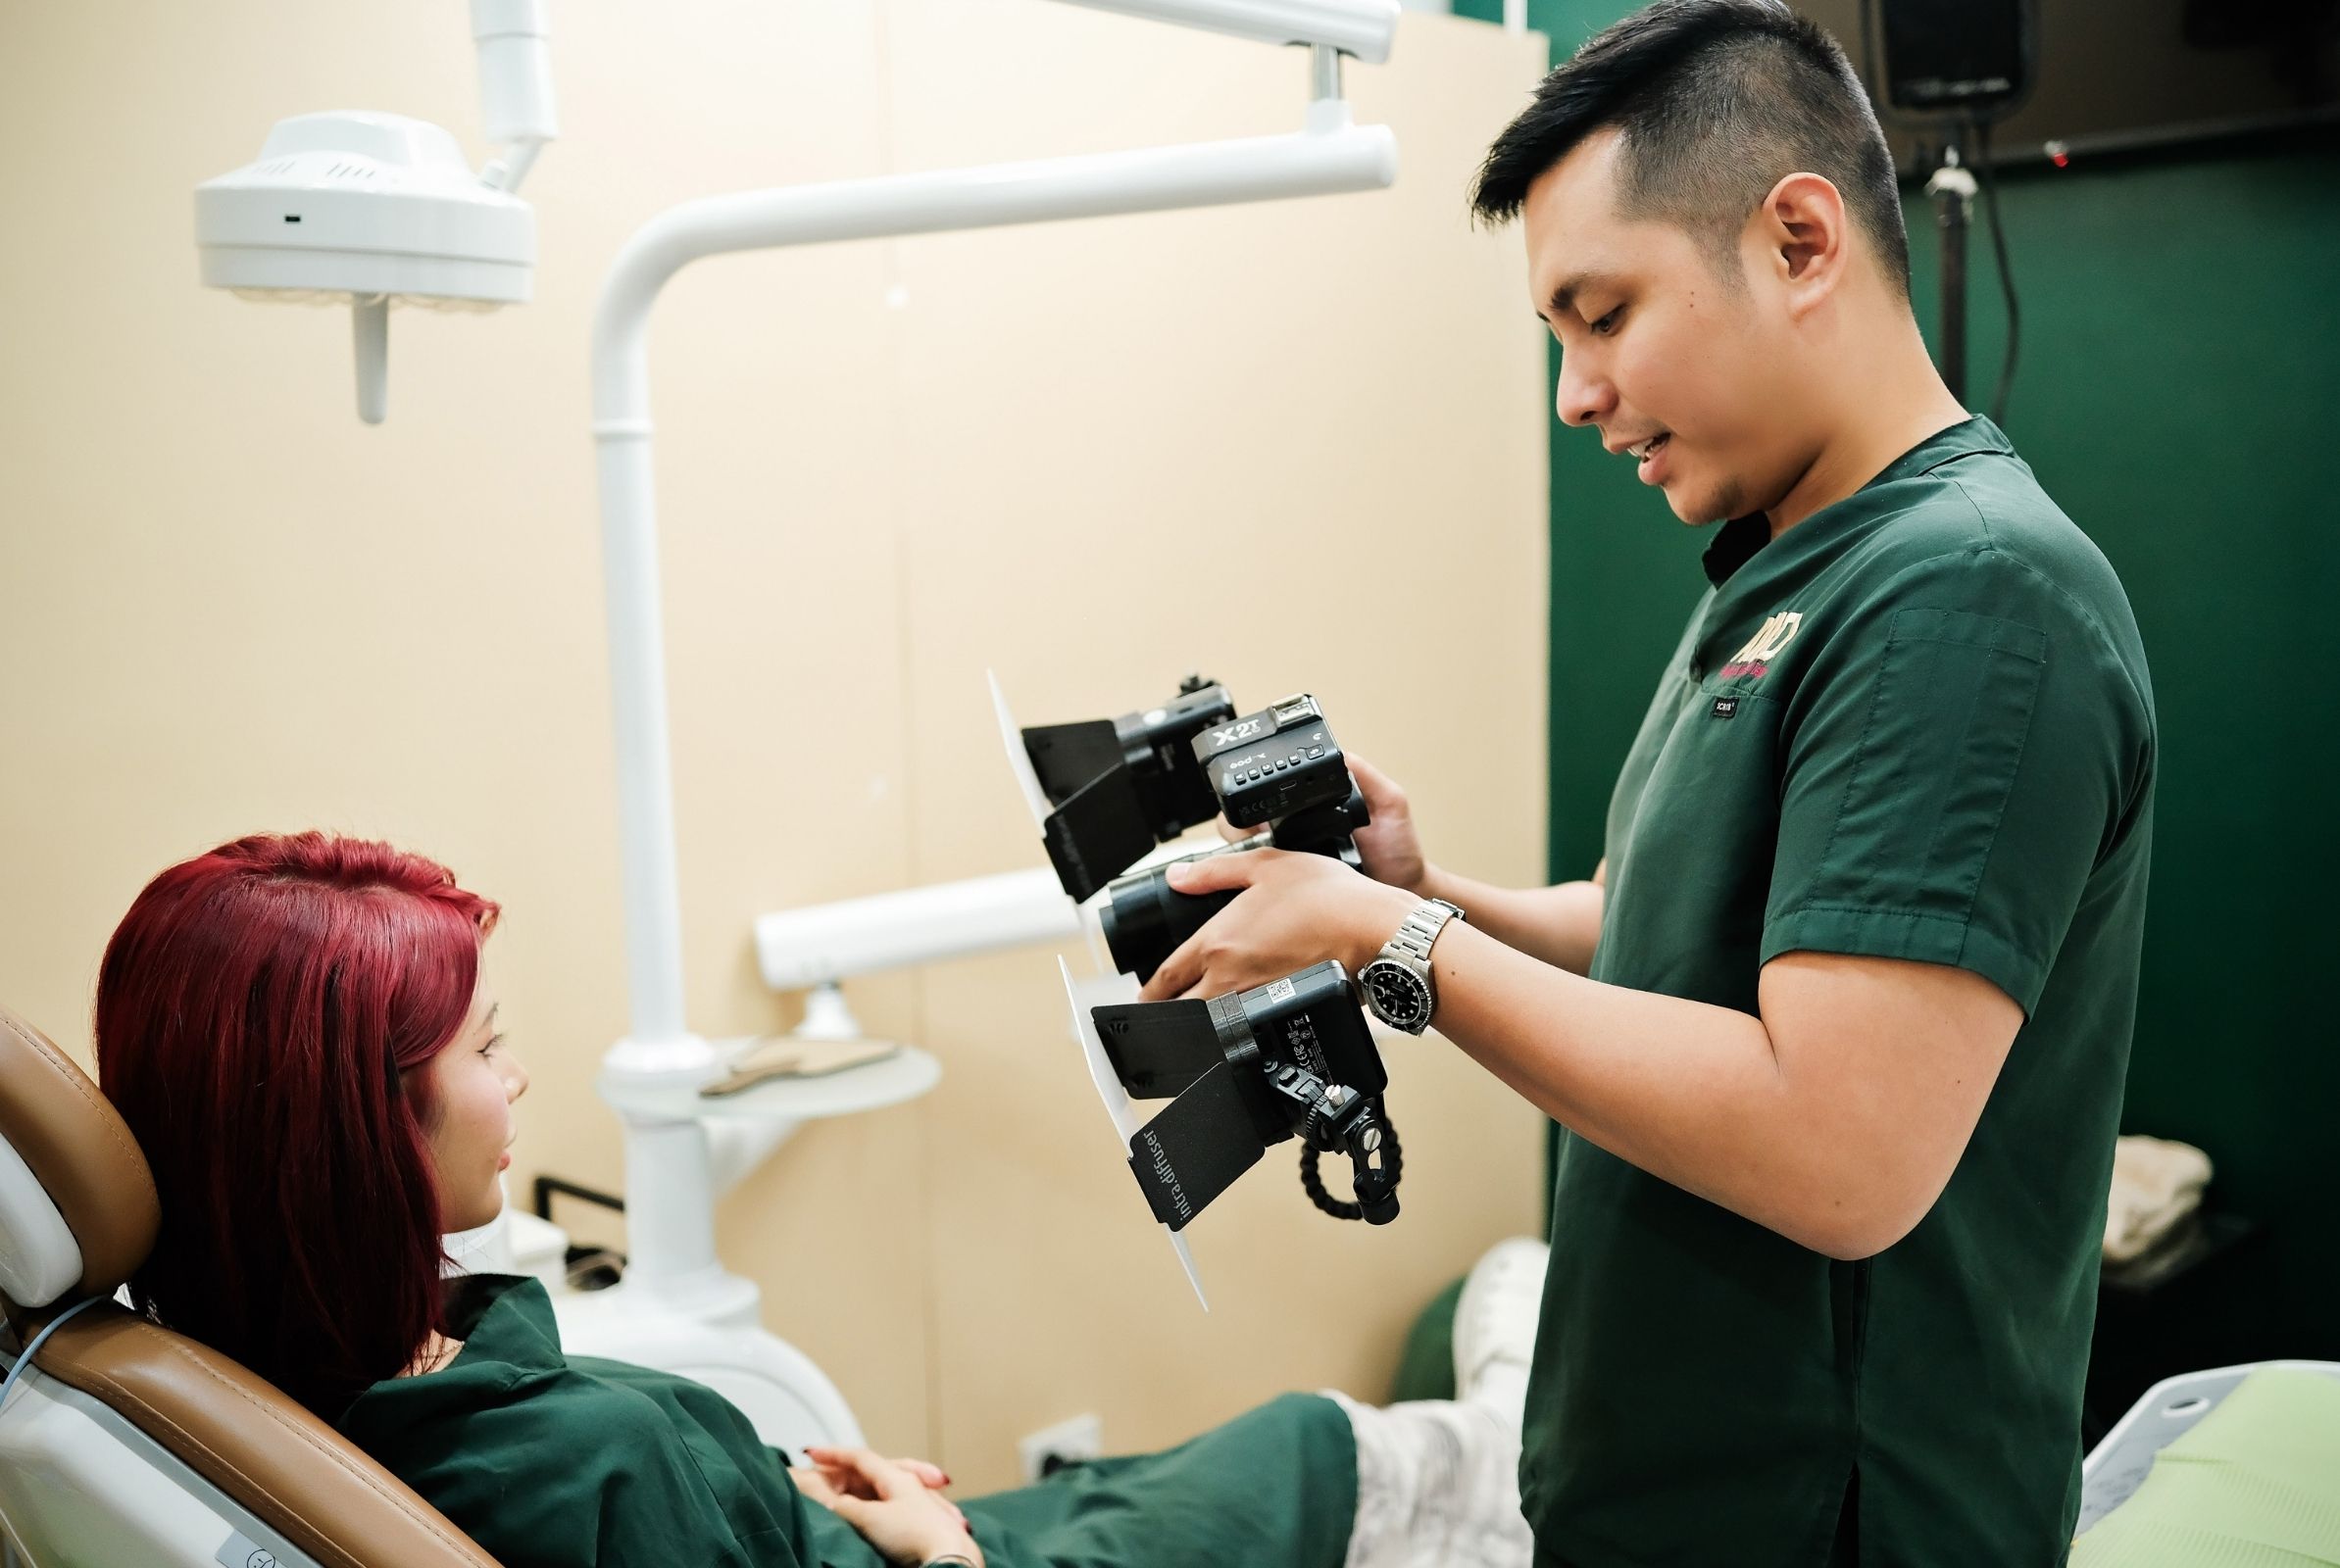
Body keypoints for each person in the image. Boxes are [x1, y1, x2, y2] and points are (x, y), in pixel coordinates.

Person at [1134, 2, 2157, 1563]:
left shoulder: (1972, 597)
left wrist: (1376, 943)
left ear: (1802, 238)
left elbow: (1840, 1154)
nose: (1575, 394)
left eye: (1602, 314)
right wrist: (1425, 896)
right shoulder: (1786, 565)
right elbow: (1668, 931)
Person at [92, 831, 1543, 1568]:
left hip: (841, 1526)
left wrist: (782, 1485)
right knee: (1336, 1458)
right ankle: (1511, 1434)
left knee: (1304, 1447)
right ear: (359, 1133)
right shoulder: (569, 1469)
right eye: (486, 1050)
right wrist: (935, 1547)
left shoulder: (254, 1361)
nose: (520, 1080)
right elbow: (608, 1494)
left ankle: (1503, 1414)